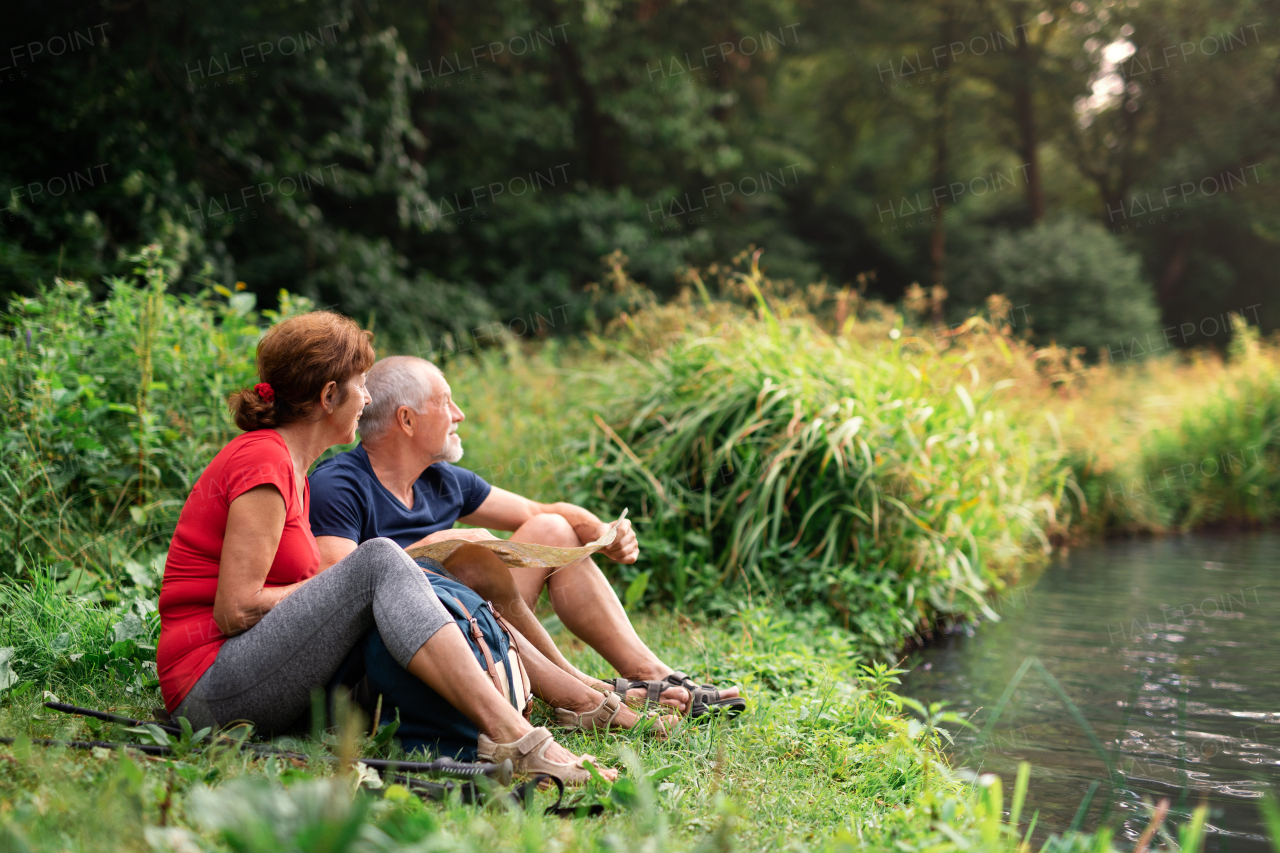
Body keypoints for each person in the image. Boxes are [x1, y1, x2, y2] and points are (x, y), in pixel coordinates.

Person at [156, 312, 614, 783]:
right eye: (360, 384)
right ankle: (515, 735)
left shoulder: (291, 465)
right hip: (210, 690)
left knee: (387, 565)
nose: (368, 396)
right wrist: (355, 582)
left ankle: (528, 711)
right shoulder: (264, 461)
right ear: (329, 395)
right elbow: (236, 610)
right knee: (377, 557)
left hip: (259, 670)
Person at [309, 355, 746, 718]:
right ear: (406, 419)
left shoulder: (441, 478)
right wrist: (433, 549)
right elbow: (339, 588)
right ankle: (582, 692)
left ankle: (647, 671)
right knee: (465, 557)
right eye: (446, 402)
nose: (460, 414)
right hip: (411, 647)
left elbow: (540, 513)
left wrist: (601, 531)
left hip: (476, 620)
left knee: (554, 529)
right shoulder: (339, 485)